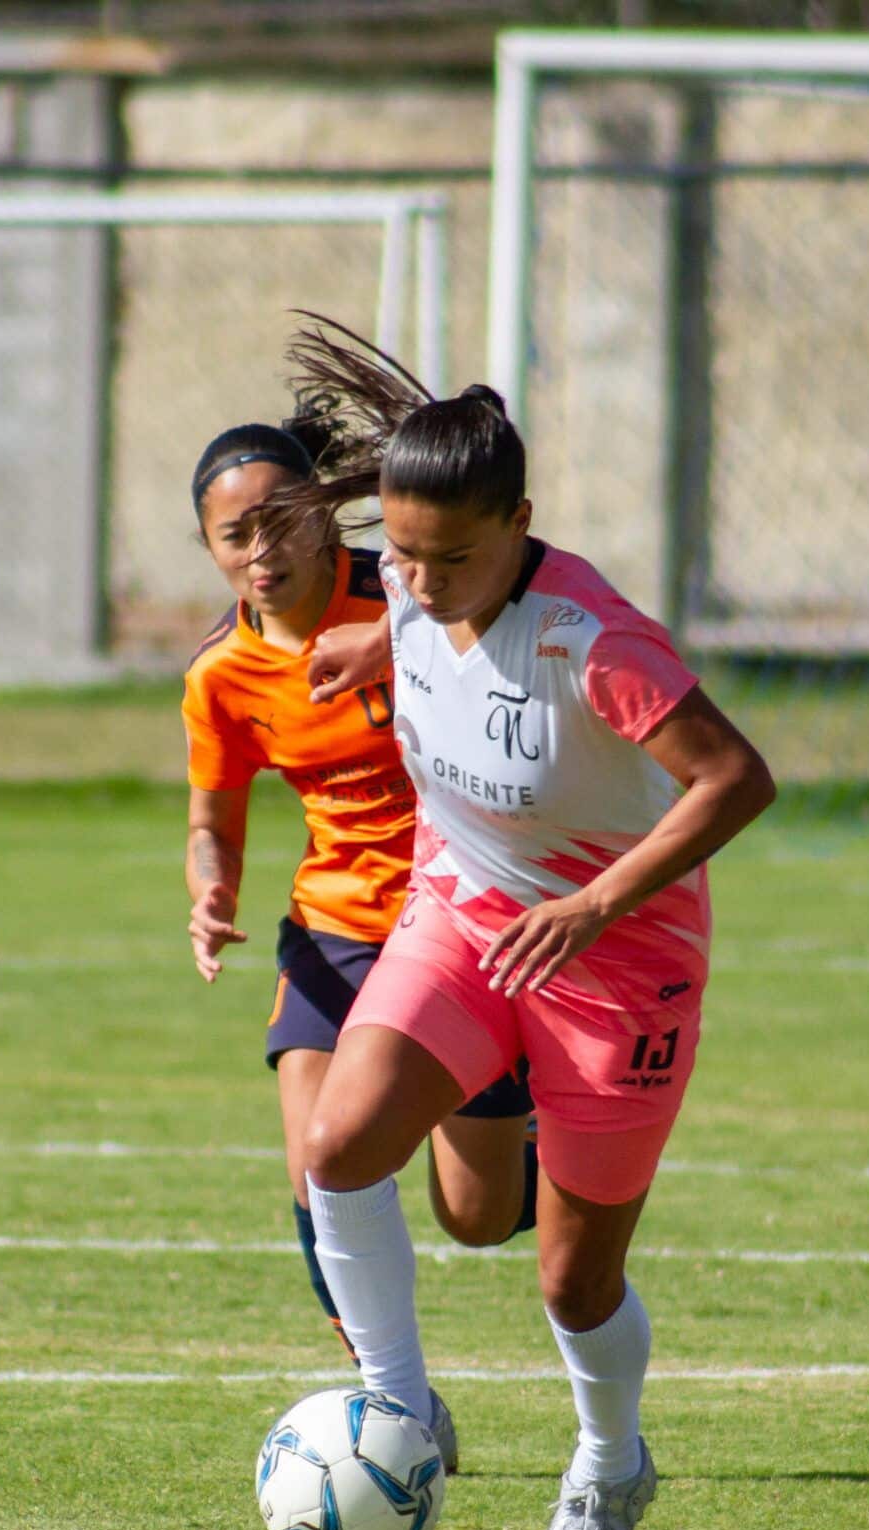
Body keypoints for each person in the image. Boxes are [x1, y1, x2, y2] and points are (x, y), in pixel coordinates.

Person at [252, 317, 777, 1530]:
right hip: (465, 916)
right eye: (403, 555)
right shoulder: (420, 586)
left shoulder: (594, 643)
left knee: (570, 1283)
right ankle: (395, 1413)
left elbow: (736, 779)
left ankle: (609, 1463)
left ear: (520, 523)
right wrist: (385, 633)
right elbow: (429, 617)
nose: (419, 580)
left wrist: (596, 904)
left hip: (617, 962)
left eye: (449, 559)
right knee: (338, 1142)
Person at [178, 404, 539, 1470]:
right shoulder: (220, 677)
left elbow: (518, 601)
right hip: (333, 932)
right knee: (317, 1167)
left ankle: (558, 1129)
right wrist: (210, 888)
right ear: (208, 550)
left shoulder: (412, 584)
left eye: (280, 521)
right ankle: (401, 1409)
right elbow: (212, 816)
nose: (260, 550)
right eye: (233, 534)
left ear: (327, 519)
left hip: (456, 920)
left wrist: (394, 632)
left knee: (478, 1216)